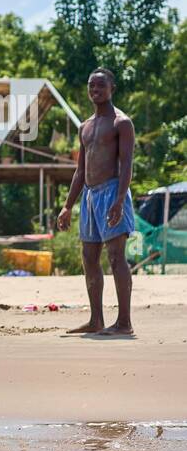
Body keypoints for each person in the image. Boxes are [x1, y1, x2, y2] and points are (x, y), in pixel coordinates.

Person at [57, 67, 136, 336]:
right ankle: (96, 320)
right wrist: (68, 205)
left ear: (111, 88)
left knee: (116, 257)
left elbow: (126, 165)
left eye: (100, 86)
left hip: (113, 191)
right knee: (89, 257)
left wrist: (119, 200)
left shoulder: (121, 123)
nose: (95, 91)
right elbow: (81, 169)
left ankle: (124, 322)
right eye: (91, 86)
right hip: (90, 197)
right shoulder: (85, 126)